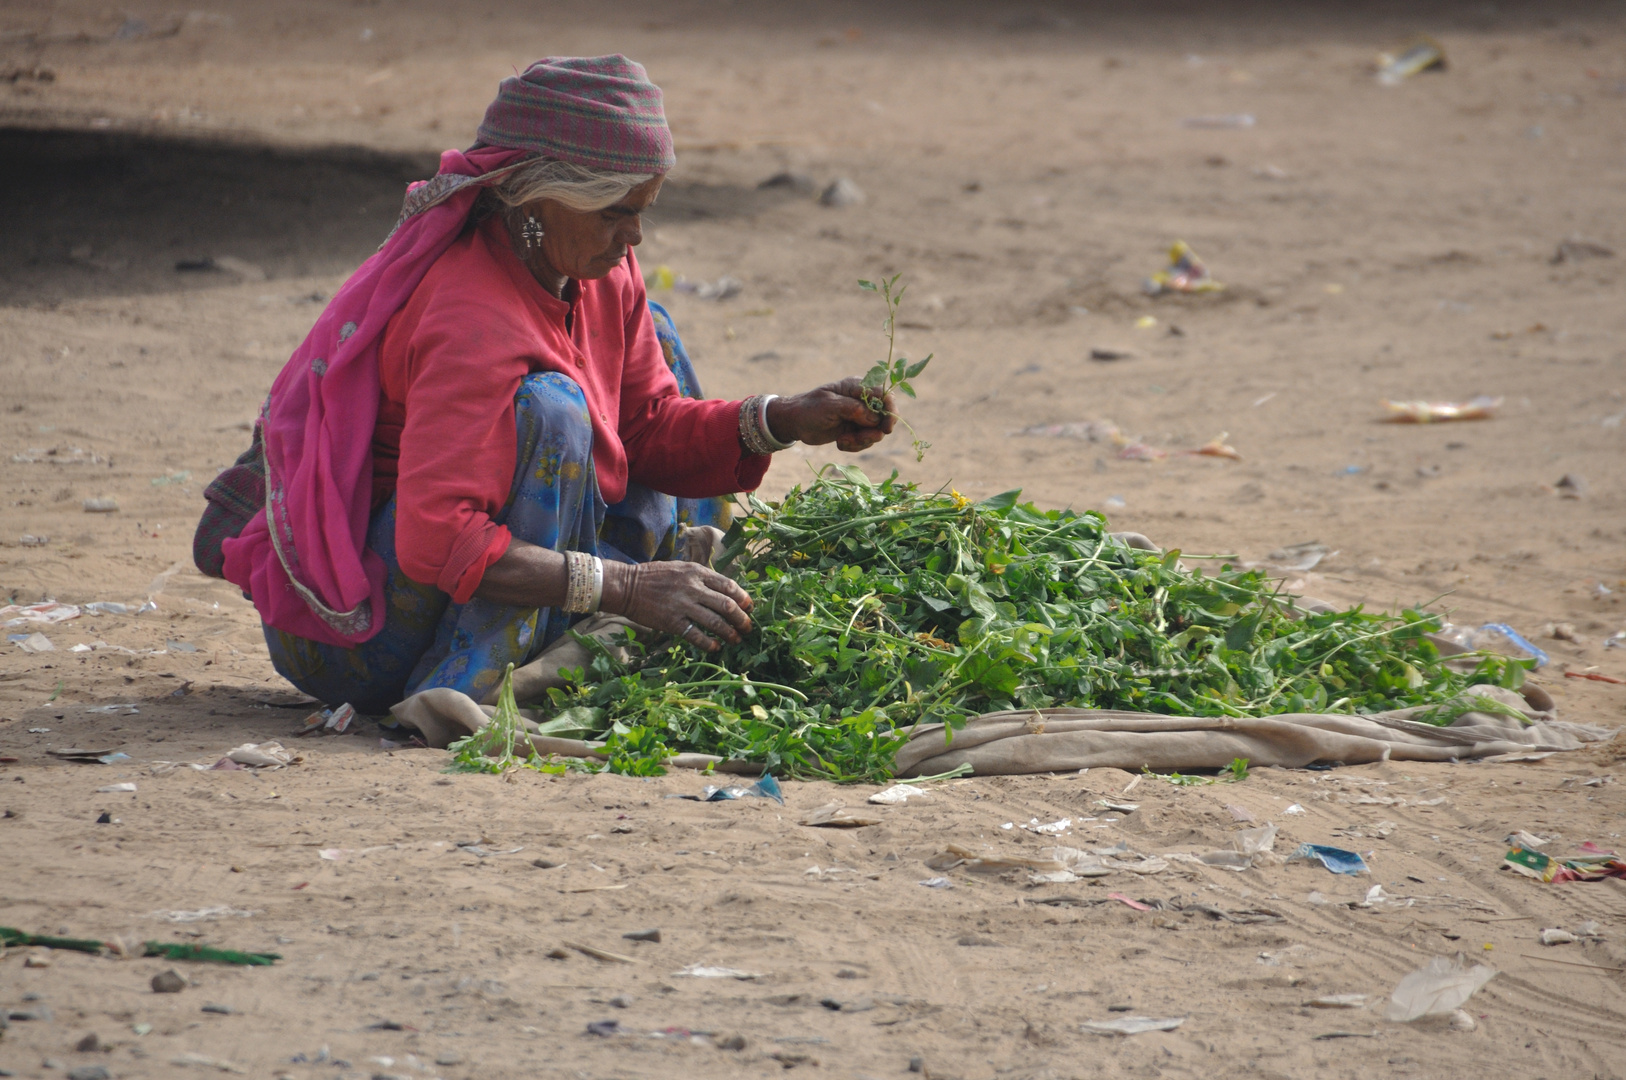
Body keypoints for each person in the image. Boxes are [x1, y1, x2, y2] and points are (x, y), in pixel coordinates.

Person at [193, 55, 896, 712]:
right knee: (554, 409)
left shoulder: (598, 270)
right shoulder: (470, 317)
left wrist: (784, 419)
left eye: (643, 208)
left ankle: (616, 619)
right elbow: (439, 540)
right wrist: (623, 586)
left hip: (477, 576)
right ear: (536, 202)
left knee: (655, 330)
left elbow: (646, 429)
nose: (636, 237)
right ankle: (471, 683)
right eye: (616, 211)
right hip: (364, 634)